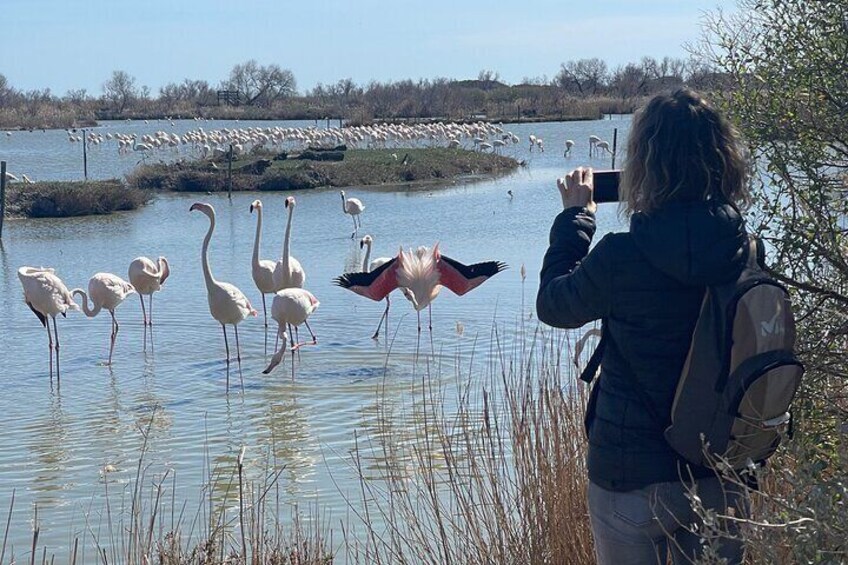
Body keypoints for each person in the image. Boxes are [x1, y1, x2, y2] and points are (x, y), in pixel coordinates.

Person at [536, 89, 752, 564]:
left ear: (643, 167)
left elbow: (554, 304)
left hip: (630, 476)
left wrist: (575, 218)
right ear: (723, 159)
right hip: (720, 468)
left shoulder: (620, 257)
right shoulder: (743, 252)